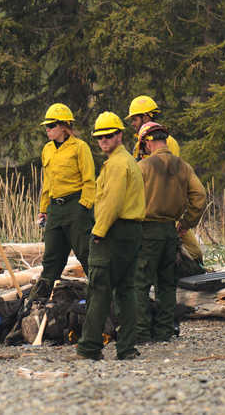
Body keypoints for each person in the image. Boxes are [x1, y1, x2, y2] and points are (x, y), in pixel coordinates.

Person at [76, 112, 145, 361]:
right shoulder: (126, 161)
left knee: (99, 289)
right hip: (131, 232)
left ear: (119, 135)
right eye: (99, 137)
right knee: (126, 290)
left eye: (108, 136)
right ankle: (126, 348)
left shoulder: (116, 164)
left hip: (114, 233)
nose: (103, 140)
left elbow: (112, 202)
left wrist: (98, 231)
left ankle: (89, 348)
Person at [134, 122, 207, 343]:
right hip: (170, 232)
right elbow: (200, 196)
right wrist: (186, 223)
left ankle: (141, 332)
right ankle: (164, 332)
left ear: (147, 141)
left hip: (147, 231)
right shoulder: (183, 166)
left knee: (140, 283)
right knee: (166, 285)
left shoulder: (143, 167)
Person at [125, 96, 203, 269]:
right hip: (145, 216)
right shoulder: (139, 144)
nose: (132, 123)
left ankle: (195, 270)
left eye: (135, 119)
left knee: (193, 252)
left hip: (165, 213)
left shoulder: (169, 143)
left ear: (146, 117)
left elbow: (171, 177)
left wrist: (180, 220)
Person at [31, 103, 96, 303]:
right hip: (55, 208)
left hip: (75, 205)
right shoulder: (47, 150)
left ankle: (100, 297)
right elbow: (47, 183)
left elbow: (89, 180)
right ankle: (38, 302)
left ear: (63, 126)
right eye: (47, 126)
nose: (47, 130)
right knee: (51, 257)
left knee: (85, 253)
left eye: (51, 126)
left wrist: (83, 207)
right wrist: (43, 210)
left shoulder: (80, 147)